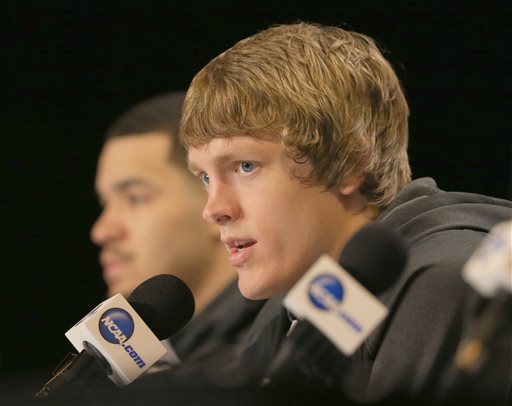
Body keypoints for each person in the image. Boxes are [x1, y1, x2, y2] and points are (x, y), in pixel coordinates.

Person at [178, 23, 512, 403]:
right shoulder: (299, 304)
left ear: (350, 163)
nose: (214, 209)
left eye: (245, 166)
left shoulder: (444, 284)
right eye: (205, 176)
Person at [90, 92, 264, 377]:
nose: (102, 231)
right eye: (104, 203)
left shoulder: (269, 358)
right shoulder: (174, 362)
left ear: (214, 202)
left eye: (135, 198)